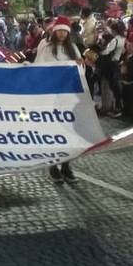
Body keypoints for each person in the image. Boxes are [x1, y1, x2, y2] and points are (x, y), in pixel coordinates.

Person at [34, 17, 82, 183]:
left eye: (65, 31)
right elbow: (38, 68)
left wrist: (81, 64)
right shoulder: (46, 48)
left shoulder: (73, 48)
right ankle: (53, 166)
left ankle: (67, 166)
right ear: (55, 31)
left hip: (68, 97)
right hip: (51, 96)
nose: (62, 34)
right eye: (59, 30)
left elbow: (80, 71)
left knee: (69, 133)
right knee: (54, 132)